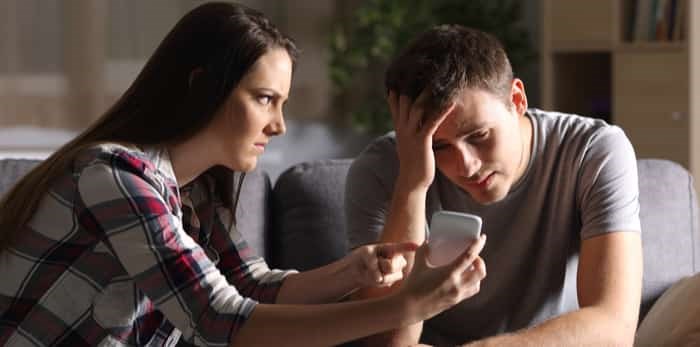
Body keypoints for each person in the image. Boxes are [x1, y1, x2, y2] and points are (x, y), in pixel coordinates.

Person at [0, 4, 487, 346]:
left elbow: (248, 285)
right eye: (265, 99)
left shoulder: (195, 192)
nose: (278, 125)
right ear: (203, 87)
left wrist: (353, 270)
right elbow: (216, 319)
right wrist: (408, 308)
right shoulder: (112, 177)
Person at [346, 25, 642, 346]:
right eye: (439, 147)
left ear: (516, 100)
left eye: (479, 136)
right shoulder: (379, 170)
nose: (467, 166)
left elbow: (614, 328)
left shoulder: (592, 151)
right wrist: (412, 187)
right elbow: (383, 343)